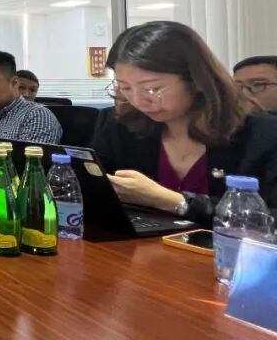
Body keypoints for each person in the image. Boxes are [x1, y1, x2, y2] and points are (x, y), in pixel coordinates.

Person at [92, 22, 277, 224]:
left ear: (196, 80)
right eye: (125, 88)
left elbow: (270, 217)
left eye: (153, 88)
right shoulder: (122, 124)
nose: (138, 101)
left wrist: (175, 202)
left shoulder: (264, 134)